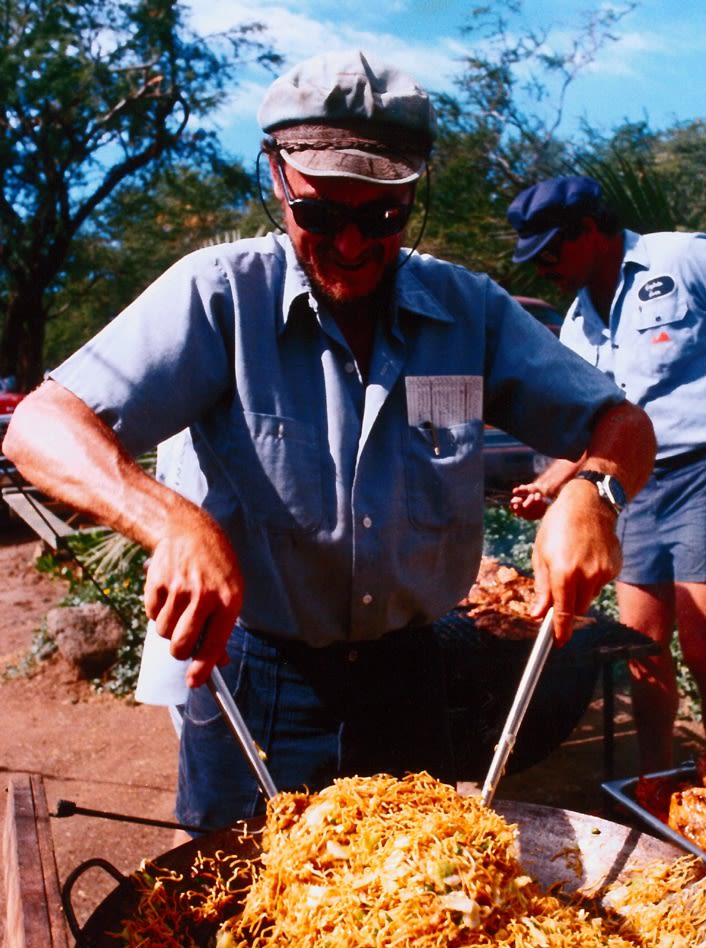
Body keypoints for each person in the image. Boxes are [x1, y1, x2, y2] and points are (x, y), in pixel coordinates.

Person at [3, 57, 655, 831]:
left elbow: (622, 425)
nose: (349, 244)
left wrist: (594, 492)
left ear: (411, 197)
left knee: (419, 914)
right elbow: (42, 425)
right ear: (277, 178)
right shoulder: (220, 296)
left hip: (415, 675)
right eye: (319, 216)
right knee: (239, 928)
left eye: (381, 219)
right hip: (262, 683)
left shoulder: (468, 310)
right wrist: (168, 520)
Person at [506, 176, 706, 773]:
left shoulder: (682, 258)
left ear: (588, 231)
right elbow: (594, 430)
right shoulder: (576, 324)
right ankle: (656, 786)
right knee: (642, 651)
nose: (542, 268)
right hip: (628, 489)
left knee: (704, 649)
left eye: (550, 251)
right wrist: (549, 486)